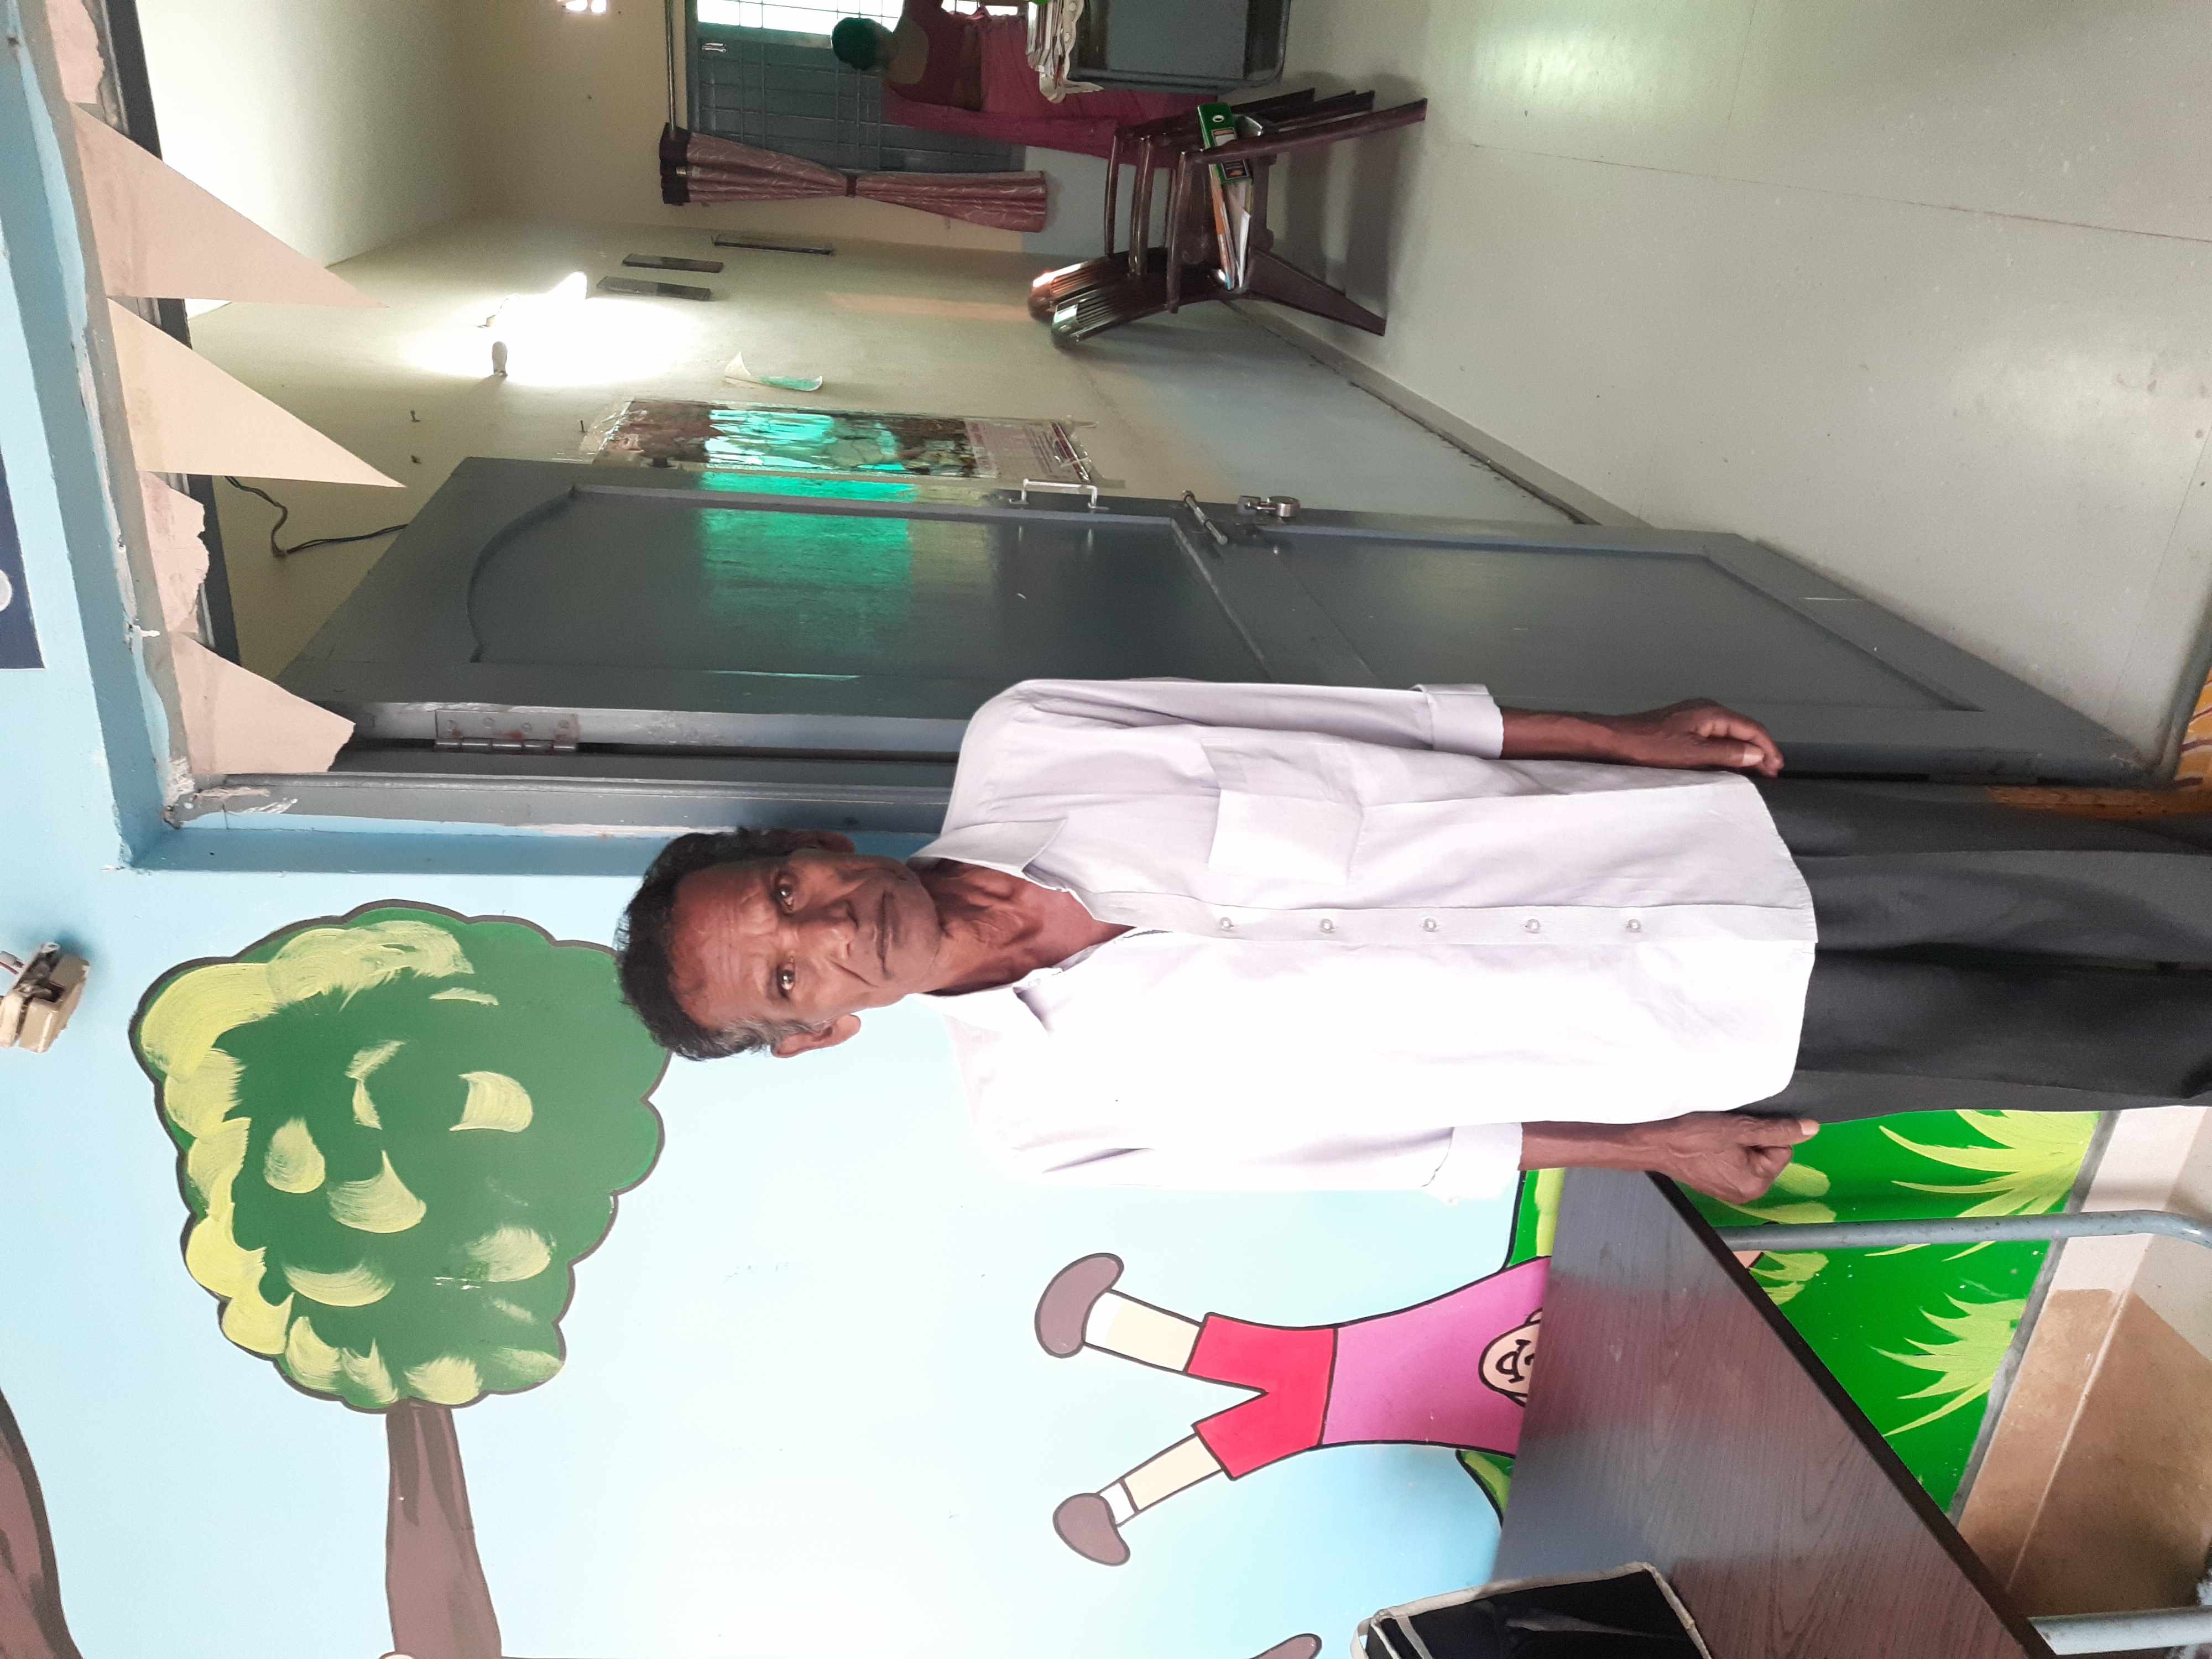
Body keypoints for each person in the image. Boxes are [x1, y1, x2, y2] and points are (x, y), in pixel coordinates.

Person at [615, 678, 2212, 1205]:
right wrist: (1652, 1145)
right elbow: (1399, 1150)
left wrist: (1626, 735)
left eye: (787, 894)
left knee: (2138, 890)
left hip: (1696, 844)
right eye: (788, 977)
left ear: (814, 848)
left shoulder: (1030, 734)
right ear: (816, 1033)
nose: (827, 931)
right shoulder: (1041, 1122)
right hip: (1682, 1038)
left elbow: (1382, 721)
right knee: (2107, 1048)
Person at [830, 1, 1194, 127]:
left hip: (1009, 102)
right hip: (1013, 50)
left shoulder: (899, 91)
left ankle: (1190, 109)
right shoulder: (915, 14)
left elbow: (960, 105)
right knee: (1102, 55)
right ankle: (1189, 65)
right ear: (871, 26)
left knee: (1098, 99)